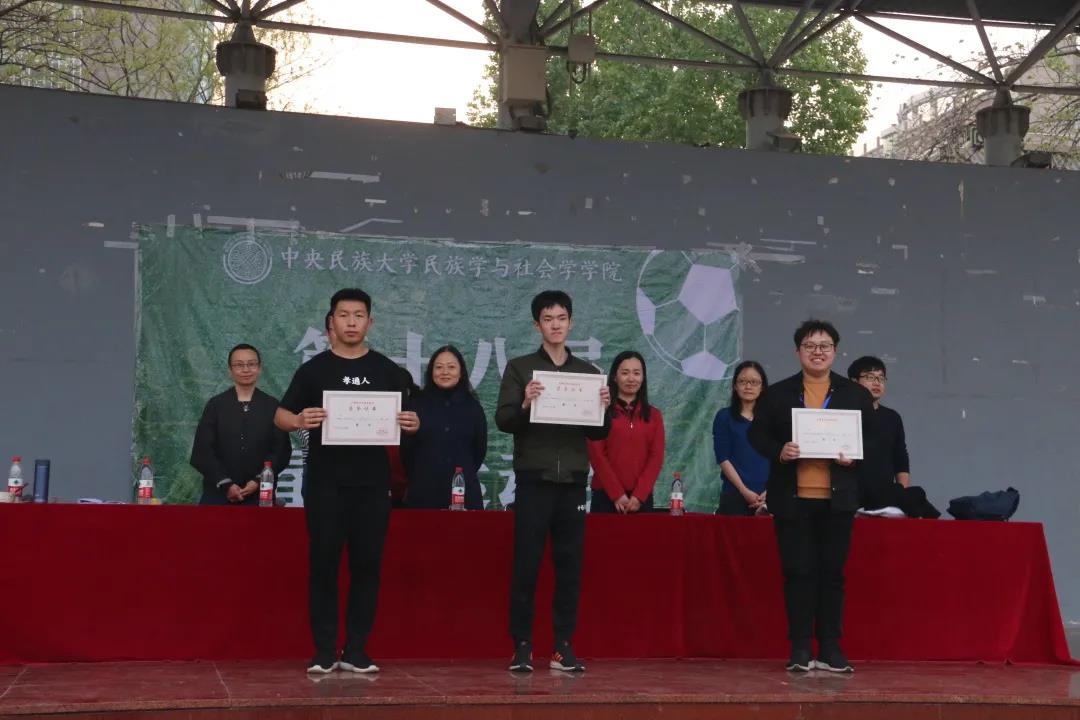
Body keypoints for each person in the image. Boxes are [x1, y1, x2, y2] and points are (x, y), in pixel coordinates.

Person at [275, 288, 420, 675]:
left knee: (367, 565)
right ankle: (324, 650)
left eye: (359, 315)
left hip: (372, 485)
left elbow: (411, 416)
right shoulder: (314, 370)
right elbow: (280, 415)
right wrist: (298, 420)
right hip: (325, 483)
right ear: (331, 322)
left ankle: (356, 649)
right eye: (343, 315)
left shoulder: (388, 371)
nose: (351, 322)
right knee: (323, 564)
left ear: (370, 322)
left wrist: (412, 422)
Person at [748, 319, 874, 674]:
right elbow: (757, 436)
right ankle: (801, 646)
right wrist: (779, 451)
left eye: (824, 346)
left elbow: (873, 441)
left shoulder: (855, 395)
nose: (817, 352)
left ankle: (831, 646)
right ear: (797, 351)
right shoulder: (778, 394)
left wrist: (854, 456)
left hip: (839, 499)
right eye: (810, 345)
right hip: (793, 499)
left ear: (835, 351)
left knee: (832, 575)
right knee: (798, 573)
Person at [496, 290, 611, 673]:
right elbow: (504, 420)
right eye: (548, 319)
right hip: (534, 479)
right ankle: (522, 646)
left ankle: (563, 646)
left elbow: (599, 433)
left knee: (569, 566)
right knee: (526, 565)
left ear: (571, 323)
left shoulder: (588, 373)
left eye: (561, 318)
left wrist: (604, 407)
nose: (555, 325)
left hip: (573, 481)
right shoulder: (521, 368)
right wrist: (526, 403)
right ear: (537, 325)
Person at [190, 343, 291, 506]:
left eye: (251, 364)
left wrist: (258, 481)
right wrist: (226, 484)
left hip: (260, 494)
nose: (246, 369)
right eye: (239, 365)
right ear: (230, 370)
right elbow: (203, 451)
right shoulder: (216, 405)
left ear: (259, 368)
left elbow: (281, 451)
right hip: (218, 494)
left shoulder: (272, 405)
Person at [847, 356, 940, 519]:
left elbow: (900, 457)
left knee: (915, 495)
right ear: (854, 382)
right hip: (853, 491)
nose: (877, 383)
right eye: (870, 377)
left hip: (885, 491)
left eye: (881, 378)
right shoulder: (845, 415)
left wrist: (901, 492)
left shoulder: (892, 417)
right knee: (918, 498)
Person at [402, 345, 488, 510]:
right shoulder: (416, 404)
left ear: (461, 372)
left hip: (463, 490)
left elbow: (479, 450)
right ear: (431, 372)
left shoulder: (473, 407)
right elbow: (406, 453)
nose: (445, 372)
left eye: (451, 367)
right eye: (439, 367)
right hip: (423, 490)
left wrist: (460, 471)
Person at [586, 350, 664, 513]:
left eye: (636, 373)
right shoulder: (601, 412)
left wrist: (639, 495)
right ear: (615, 377)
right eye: (625, 373)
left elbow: (656, 457)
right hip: (605, 496)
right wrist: (617, 494)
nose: (631, 379)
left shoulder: (654, 415)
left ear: (643, 378)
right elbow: (597, 455)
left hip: (641, 499)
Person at [713, 360, 770, 516]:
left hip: (769, 496)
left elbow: (779, 457)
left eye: (754, 382)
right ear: (735, 386)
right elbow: (723, 458)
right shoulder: (724, 417)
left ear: (762, 386)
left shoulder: (772, 418)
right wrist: (743, 490)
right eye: (743, 381)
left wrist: (770, 490)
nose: (748, 386)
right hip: (734, 494)